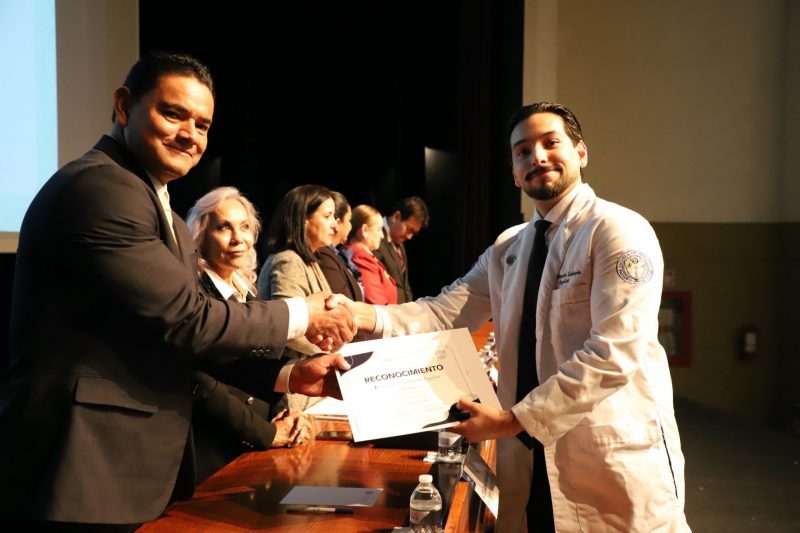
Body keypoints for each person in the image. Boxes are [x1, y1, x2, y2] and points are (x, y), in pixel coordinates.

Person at [0, 52, 352, 530]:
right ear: (124, 105)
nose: (190, 135)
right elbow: (189, 321)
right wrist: (303, 313)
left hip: (127, 468)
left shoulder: (152, 199)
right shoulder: (102, 187)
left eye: (202, 125)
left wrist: (290, 373)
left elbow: (180, 341)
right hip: (82, 467)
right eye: (173, 114)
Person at [348, 102, 690, 531]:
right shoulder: (508, 248)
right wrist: (362, 316)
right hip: (528, 458)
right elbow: (443, 311)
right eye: (522, 151)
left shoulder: (617, 229)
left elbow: (614, 353)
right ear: (513, 173)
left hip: (606, 456)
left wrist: (513, 421)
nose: (537, 157)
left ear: (581, 152)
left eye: (550, 143)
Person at [186, 186, 315, 483]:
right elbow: (202, 383)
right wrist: (267, 432)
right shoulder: (195, 296)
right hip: (216, 452)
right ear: (200, 236)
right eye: (224, 227)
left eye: (244, 227)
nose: (238, 238)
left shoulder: (247, 289)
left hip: (258, 442)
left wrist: (285, 416)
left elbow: (268, 363)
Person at [258, 184, 340, 409]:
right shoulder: (288, 261)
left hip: (309, 390)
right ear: (304, 219)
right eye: (327, 216)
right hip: (294, 394)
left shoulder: (308, 261)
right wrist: (333, 350)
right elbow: (289, 327)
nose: (335, 224)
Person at [373, 196, 429, 303]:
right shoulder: (374, 237)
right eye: (409, 229)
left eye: (413, 233)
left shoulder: (400, 244)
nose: (409, 237)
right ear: (396, 216)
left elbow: (404, 286)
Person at [342, 205, 397, 305]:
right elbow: (376, 303)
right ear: (365, 230)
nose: (382, 236)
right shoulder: (360, 257)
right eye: (379, 229)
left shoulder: (365, 256)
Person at [315, 190, 363, 302]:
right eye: (349, 220)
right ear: (339, 222)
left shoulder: (337, 254)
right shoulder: (323, 255)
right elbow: (343, 300)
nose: (351, 226)